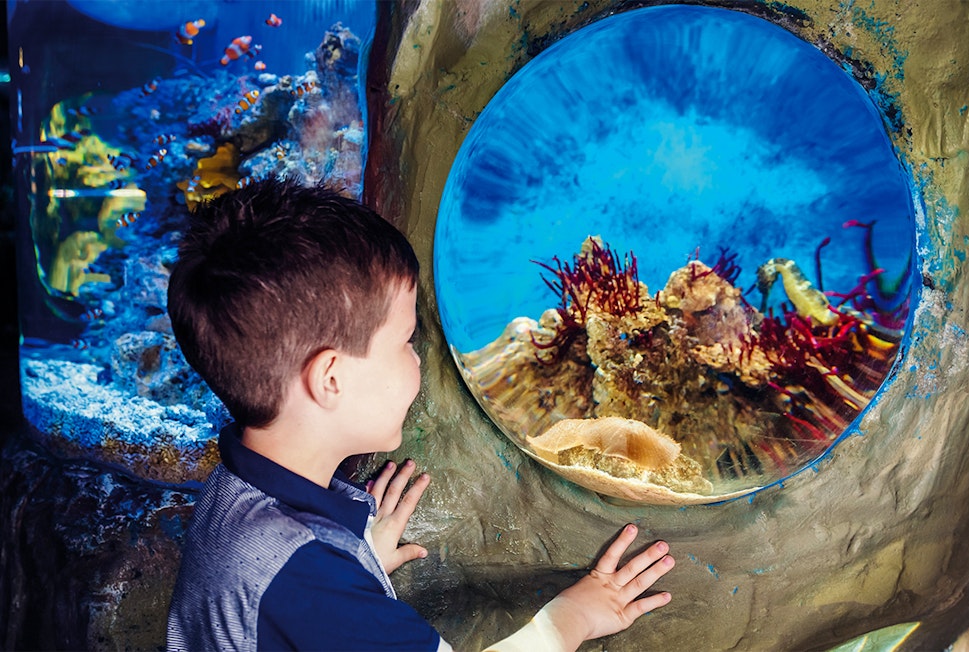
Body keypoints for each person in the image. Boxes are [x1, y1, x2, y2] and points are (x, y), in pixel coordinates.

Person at [165, 177, 674, 651]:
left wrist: (358, 556)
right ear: (331, 380)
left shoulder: (233, 494)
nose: (417, 360)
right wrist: (569, 620)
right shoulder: (304, 579)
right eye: (406, 341)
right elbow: (297, 590)